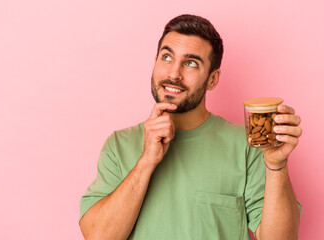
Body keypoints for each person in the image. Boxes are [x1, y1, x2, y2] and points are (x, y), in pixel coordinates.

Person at [79, 14, 302, 240]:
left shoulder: (247, 145)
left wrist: (277, 165)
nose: (173, 74)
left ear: (213, 79)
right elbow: (98, 236)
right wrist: (146, 162)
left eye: (191, 63)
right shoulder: (119, 145)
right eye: (166, 57)